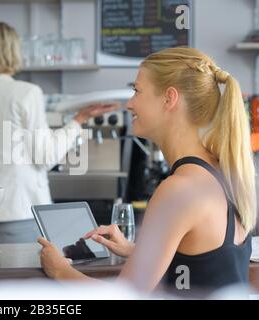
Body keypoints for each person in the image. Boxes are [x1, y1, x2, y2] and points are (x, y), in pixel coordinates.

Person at [38, 47, 256, 296]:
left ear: (169, 99)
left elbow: (125, 296)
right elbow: (206, 263)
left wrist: (59, 270)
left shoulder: (179, 189)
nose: (129, 104)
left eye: (137, 91)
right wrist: (137, 251)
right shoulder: (219, 173)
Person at [0, 20, 119, 243]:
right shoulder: (25, 92)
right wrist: (79, 120)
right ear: (14, 51)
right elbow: (45, 156)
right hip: (20, 211)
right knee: (22, 276)